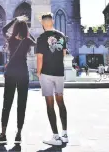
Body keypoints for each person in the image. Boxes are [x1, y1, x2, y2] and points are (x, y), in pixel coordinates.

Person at [0, 15, 36, 145]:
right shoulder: (28, 40)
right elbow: (35, 41)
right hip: (23, 73)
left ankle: (3, 134)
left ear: (15, 28)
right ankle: (18, 134)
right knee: (21, 104)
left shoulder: (11, 39)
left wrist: (15, 20)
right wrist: (27, 30)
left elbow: (3, 29)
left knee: (7, 103)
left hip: (11, 73)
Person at [36, 13, 68, 146]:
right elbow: (64, 53)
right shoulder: (61, 35)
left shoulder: (41, 38)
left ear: (43, 23)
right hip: (59, 73)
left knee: (50, 104)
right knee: (60, 102)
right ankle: (65, 134)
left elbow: (39, 58)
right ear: (53, 21)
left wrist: (38, 73)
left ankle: (55, 136)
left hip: (47, 74)